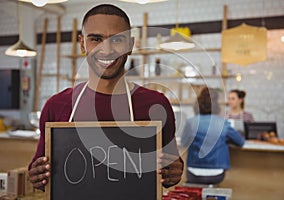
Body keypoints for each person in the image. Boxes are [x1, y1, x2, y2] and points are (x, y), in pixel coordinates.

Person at [28, 4, 183, 191]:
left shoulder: (156, 104)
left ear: (130, 45)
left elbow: (171, 168)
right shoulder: (56, 106)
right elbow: (40, 169)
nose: (107, 49)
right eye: (96, 39)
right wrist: (37, 175)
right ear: (83, 43)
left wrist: (173, 172)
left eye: (117, 40)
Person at [181, 87, 245, 185]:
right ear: (216, 106)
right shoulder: (223, 123)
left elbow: (184, 143)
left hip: (193, 173)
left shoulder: (191, 122)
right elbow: (240, 142)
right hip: (216, 174)